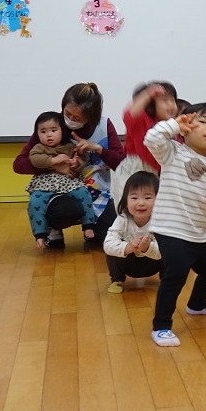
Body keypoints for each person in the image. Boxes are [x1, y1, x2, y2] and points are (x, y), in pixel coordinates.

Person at [144, 104, 206, 347]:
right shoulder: (173, 152)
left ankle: (197, 304)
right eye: (203, 121)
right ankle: (161, 326)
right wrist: (173, 125)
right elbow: (151, 138)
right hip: (170, 227)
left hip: (198, 231)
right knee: (176, 275)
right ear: (187, 128)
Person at [13, 82, 123, 247]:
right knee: (66, 211)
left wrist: (98, 148)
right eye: (67, 114)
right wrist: (52, 164)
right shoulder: (52, 125)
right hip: (58, 190)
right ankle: (52, 230)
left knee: (114, 237)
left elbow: (122, 163)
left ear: (91, 116)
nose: (70, 120)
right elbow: (19, 164)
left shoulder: (104, 125)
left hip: (96, 191)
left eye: (77, 118)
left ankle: (91, 229)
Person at [25, 111, 98, 246]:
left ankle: (88, 225)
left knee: (84, 193)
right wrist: (52, 161)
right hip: (45, 182)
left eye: (53, 130)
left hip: (68, 181)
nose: (49, 135)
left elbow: (82, 159)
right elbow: (34, 159)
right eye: (43, 131)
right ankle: (40, 234)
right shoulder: (38, 148)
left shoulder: (70, 147)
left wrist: (76, 164)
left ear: (62, 131)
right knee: (35, 202)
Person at [111, 81, 179, 208]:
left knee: (150, 210)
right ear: (150, 105)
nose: (171, 105)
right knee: (127, 209)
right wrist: (147, 94)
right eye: (165, 100)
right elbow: (129, 115)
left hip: (155, 174)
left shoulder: (172, 127)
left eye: (173, 100)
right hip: (133, 170)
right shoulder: (143, 120)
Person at [103, 172, 161, 293]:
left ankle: (167, 280)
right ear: (126, 201)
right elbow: (108, 244)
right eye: (134, 198)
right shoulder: (123, 219)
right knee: (113, 250)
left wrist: (147, 248)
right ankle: (117, 280)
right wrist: (128, 247)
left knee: (172, 249)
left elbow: (166, 250)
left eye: (148, 198)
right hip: (129, 264)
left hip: (153, 263)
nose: (141, 203)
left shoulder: (161, 221)